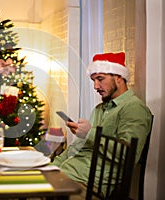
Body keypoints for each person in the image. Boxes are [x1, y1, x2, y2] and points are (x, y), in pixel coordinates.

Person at [52, 52, 153, 199]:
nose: (95, 86)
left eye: (100, 79)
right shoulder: (100, 109)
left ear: (118, 77)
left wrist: (89, 133)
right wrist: (52, 167)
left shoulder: (134, 109)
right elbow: (77, 147)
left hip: (86, 184)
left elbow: (127, 156)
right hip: (64, 174)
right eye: (93, 80)